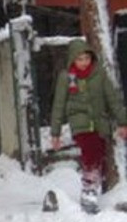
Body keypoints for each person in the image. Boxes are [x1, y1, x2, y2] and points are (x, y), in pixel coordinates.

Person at [49, 39, 127, 210]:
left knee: (99, 153)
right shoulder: (67, 78)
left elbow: (112, 99)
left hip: (100, 122)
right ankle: (88, 190)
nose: (84, 62)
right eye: (80, 59)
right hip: (80, 123)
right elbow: (59, 105)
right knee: (90, 151)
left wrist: (123, 121)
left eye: (86, 58)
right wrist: (55, 133)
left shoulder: (99, 74)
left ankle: (97, 186)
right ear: (72, 60)